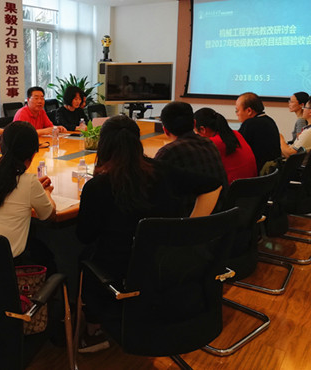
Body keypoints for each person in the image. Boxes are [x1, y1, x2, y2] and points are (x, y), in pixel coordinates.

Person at [76, 115, 222, 353]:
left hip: (119, 272)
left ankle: (93, 326)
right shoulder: (162, 171)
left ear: (104, 146)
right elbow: (213, 184)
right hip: (166, 269)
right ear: (138, 142)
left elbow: (84, 236)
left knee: (84, 256)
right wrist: (189, 230)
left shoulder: (97, 187)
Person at [0, 121, 57, 259]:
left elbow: (5, 184)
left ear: (1, 148)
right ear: (33, 154)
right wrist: (46, 192)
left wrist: (34, 189)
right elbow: (49, 215)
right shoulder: (29, 183)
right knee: (46, 255)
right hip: (5, 266)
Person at [154, 101, 228, 213]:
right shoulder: (209, 143)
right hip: (221, 214)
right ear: (194, 123)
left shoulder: (168, 152)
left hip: (189, 219)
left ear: (165, 130)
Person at [194, 107, 257, 184]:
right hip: (252, 185)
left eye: (196, 133)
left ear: (202, 129)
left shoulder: (211, 143)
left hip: (232, 188)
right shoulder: (236, 134)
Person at [235, 92, 281, 174]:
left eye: (237, 110)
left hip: (256, 173)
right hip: (271, 173)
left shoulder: (250, 124)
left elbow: (235, 148)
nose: (237, 114)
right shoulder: (269, 120)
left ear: (249, 111)